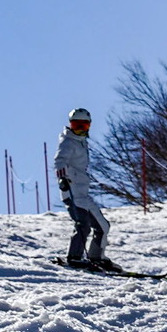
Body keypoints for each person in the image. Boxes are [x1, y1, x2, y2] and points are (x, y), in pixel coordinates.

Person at [53, 107, 116, 270]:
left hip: (83, 193)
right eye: (76, 125)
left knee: (103, 226)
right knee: (83, 224)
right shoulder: (68, 141)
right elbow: (59, 161)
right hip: (72, 191)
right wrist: (62, 179)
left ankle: (97, 257)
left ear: (89, 126)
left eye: (84, 126)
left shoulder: (81, 142)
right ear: (70, 125)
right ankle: (74, 256)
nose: (80, 130)